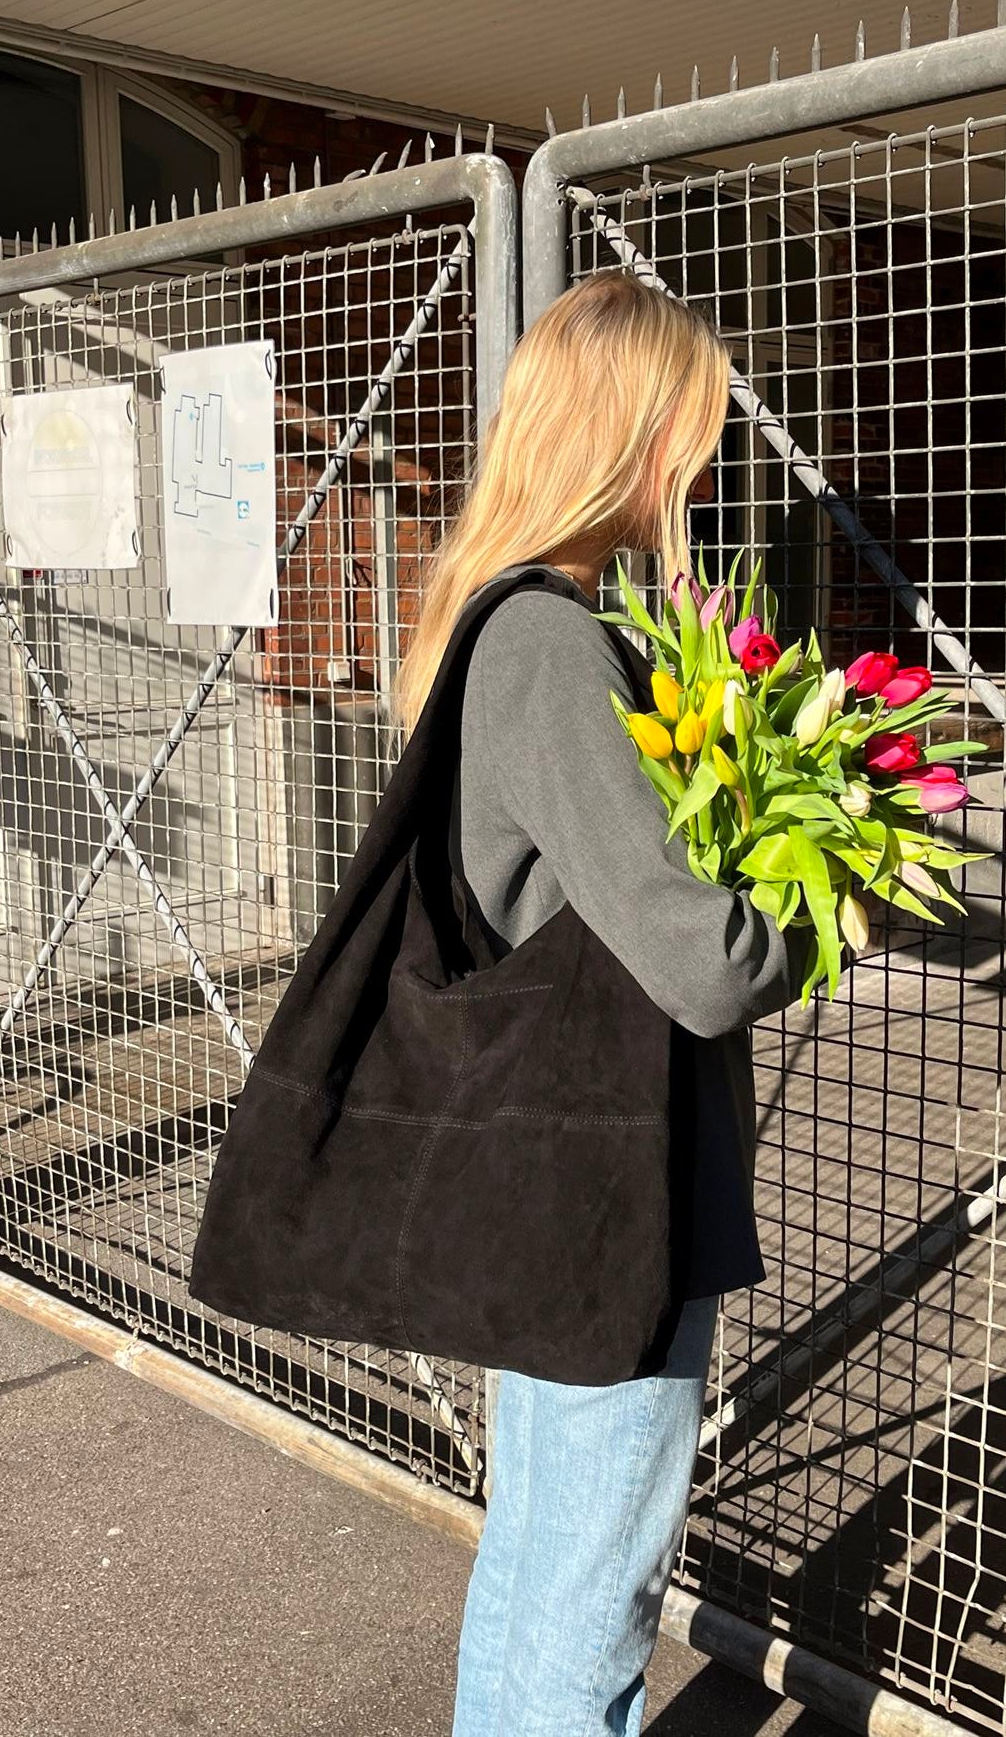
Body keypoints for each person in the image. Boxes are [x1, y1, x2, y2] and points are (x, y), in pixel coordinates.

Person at [386, 270, 810, 1736]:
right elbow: (696, 962)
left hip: (538, 1161)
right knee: (589, 1591)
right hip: (601, 1182)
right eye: (687, 430)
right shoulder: (553, 646)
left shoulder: (488, 621)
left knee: (538, 1553)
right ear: (628, 434)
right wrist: (819, 917)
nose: (697, 463)